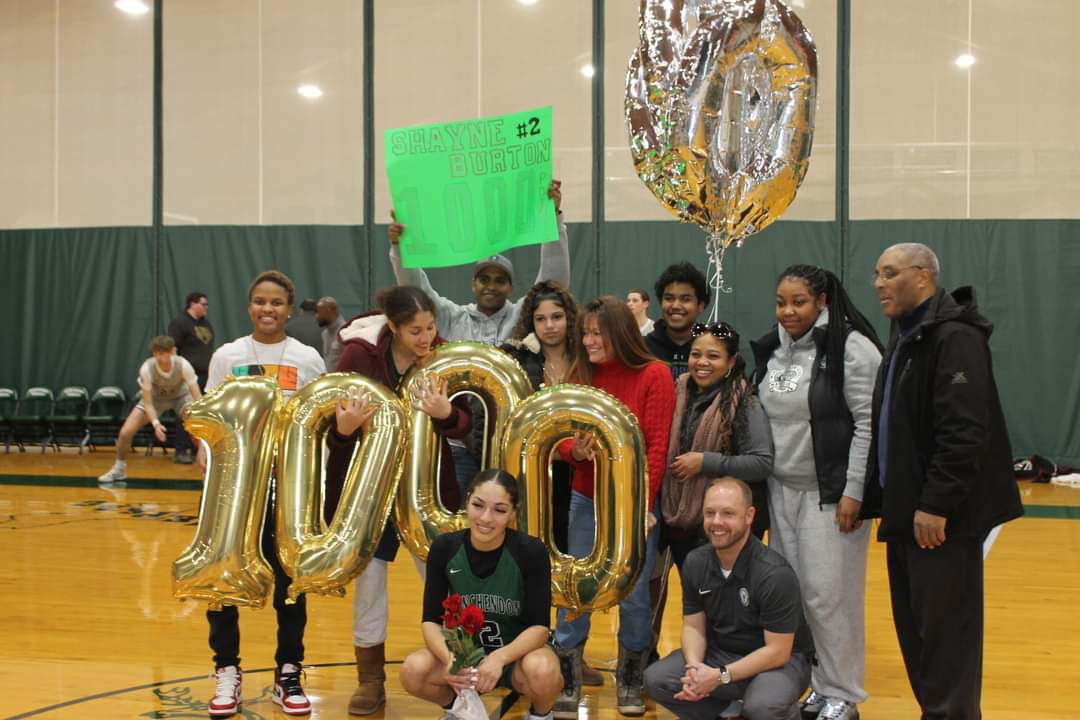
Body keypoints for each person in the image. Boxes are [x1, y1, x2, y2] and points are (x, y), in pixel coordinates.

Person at [861, 243, 1023, 719]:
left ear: (924, 277)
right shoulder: (909, 333)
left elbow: (965, 432)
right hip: (906, 513)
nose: (878, 284)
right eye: (876, 273)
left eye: (890, 273)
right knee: (918, 631)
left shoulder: (954, 337)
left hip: (939, 520)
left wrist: (936, 504)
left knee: (947, 634)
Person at [326, 285, 472, 716]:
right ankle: (370, 679)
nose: (427, 337)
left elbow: (463, 425)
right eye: (416, 331)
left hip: (429, 491)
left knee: (446, 583)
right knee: (369, 585)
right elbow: (330, 428)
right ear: (392, 328)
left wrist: (447, 414)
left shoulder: (444, 357)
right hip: (371, 491)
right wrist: (346, 428)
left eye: (431, 327)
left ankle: (464, 671)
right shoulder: (359, 357)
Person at [749, 265, 883, 720]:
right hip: (780, 491)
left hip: (830, 496)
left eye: (799, 302)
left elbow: (868, 424)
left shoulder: (852, 349)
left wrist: (855, 491)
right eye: (781, 302)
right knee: (798, 596)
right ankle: (817, 685)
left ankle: (843, 693)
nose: (788, 311)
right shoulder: (773, 348)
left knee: (830, 597)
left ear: (822, 301)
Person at [200, 270, 327, 718]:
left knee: (291, 583)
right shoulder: (227, 356)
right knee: (224, 579)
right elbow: (209, 418)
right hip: (234, 490)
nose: (267, 309)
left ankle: (288, 671)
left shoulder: (308, 358)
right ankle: (226, 670)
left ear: (290, 309)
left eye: (276, 302)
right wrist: (206, 457)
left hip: (289, 491)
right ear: (249, 306)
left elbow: (319, 424)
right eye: (259, 301)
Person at [552, 297, 675, 718]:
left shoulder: (654, 375)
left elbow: (657, 446)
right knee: (576, 588)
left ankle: (631, 678)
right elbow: (561, 438)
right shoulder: (580, 373)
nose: (586, 341)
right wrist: (576, 451)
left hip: (634, 503)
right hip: (586, 499)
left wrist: (642, 504)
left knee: (635, 595)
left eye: (595, 333)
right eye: (583, 333)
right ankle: (566, 675)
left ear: (619, 333)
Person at [644, 478, 814, 720]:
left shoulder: (774, 574)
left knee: (763, 707)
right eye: (710, 513)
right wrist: (695, 670)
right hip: (723, 652)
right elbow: (693, 626)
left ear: (749, 516)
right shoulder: (696, 561)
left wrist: (719, 676)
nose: (716, 522)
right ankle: (726, 712)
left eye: (728, 514)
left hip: (777, 663)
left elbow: (778, 651)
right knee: (657, 680)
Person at [399, 470, 563, 720]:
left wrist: (499, 658)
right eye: (478, 505)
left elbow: (540, 628)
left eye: (499, 510)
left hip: (515, 659)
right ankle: (460, 708)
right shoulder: (444, 548)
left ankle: (541, 715)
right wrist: (451, 659)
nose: (486, 518)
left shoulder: (531, 552)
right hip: (466, 660)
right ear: (467, 502)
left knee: (543, 670)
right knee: (413, 670)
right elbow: (430, 620)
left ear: (513, 513)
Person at [387, 179, 569, 346]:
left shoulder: (522, 315)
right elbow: (417, 290)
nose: (491, 286)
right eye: (484, 279)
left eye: (500, 281)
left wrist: (553, 218)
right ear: (473, 284)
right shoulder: (451, 317)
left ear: (511, 288)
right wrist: (400, 246)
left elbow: (552, 282)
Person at [661, 321, 773, 569]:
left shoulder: (744, 402)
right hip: (679, 521)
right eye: (695, 354)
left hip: (724, 526)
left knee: (724, 602)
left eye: (713, 356)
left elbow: (761, 463)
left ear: (731, 363)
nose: (701, 363)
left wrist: (704, 461)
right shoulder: (677, 392)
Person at [97, 336, 202, 484]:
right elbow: (148, 402)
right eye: (156, 353)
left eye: (163, 353)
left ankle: (208, 469)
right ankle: (119, 469)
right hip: (156, 400)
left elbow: (197, 396)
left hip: (181, 398)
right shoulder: (147, 368)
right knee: (125, 432)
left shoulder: (184, 365)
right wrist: (156, 424)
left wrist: (201, 417)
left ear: (172, 352)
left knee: (201, 429)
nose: (159, 357)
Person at [167, 292, 215, 463]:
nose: (206, 308)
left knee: (201, 413)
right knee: (186, 412)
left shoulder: (205, 323)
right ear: (192, 304)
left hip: (205, 376)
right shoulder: (181, 322)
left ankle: (198, 449)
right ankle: (180, 450)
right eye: (204, 304)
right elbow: (171, 348)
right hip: (187, 377)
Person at [644, 263, 709, 382]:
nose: (675, 306)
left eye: (686, 299)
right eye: (669, 298)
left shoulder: (712, 348)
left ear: (700, 305)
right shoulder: (643, 349)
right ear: (660, 302)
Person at [316, 295, 345, 370]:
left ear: (330, 310)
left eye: (319, 312)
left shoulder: (345, 332)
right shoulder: (325, 334)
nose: (316, 317)